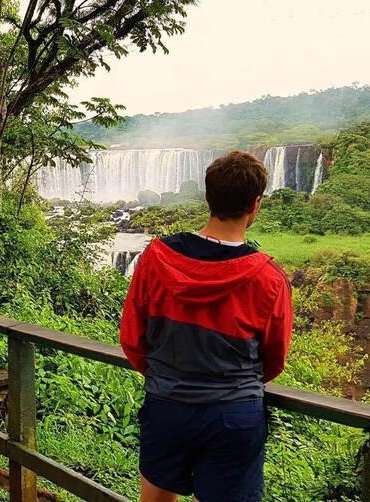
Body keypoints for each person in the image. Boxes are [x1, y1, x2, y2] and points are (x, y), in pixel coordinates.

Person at [119, 151, 293, 502]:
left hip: (166, 406)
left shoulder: (156, 258)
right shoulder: (268, 279)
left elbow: (133, 339)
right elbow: (275, 358)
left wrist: (168, 379)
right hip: (234, 415)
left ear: (207, 197)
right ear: (256, 205)